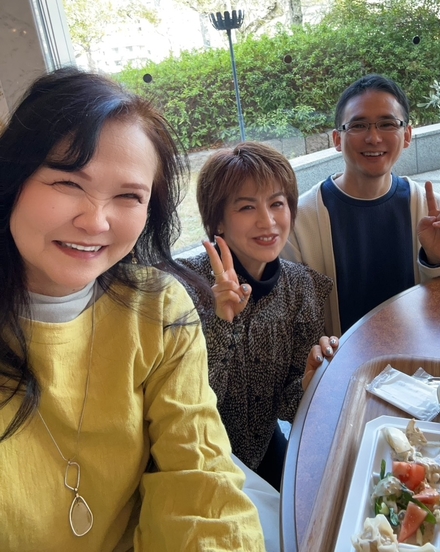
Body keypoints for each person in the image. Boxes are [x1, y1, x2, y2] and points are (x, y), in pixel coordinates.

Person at [0, 67, 266, 551]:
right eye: (68, 183)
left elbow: (199, 477)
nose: (95, 221)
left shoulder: (157, 308)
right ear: (12, 179)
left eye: (128, 196)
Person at [179, 141, 338, 490]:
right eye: (247, 207)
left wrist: (310, 382)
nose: (267, 221)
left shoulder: (301, 286)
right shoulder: (183, 288)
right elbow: (186, 406)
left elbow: (288, 408)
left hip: (264, 448)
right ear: (218, 220)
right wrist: (221, 323)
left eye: (277, 204)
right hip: (198, 457)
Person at [282, 74, 440, 337]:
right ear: (337, 139)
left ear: (407, 135)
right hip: (338, 362)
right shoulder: (300, 222)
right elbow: (290, 322)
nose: (373, 138)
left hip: (419, 360)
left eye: (387, 124)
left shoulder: (431, 213)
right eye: (358, 125)